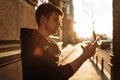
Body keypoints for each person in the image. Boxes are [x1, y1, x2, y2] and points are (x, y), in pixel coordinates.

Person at [20, 3, 97, 80]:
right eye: (56, 19)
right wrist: (84, 56)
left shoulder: (46, 42)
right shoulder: (32, 44)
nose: (59, 24)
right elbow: (58, 75)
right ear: (43, 19)